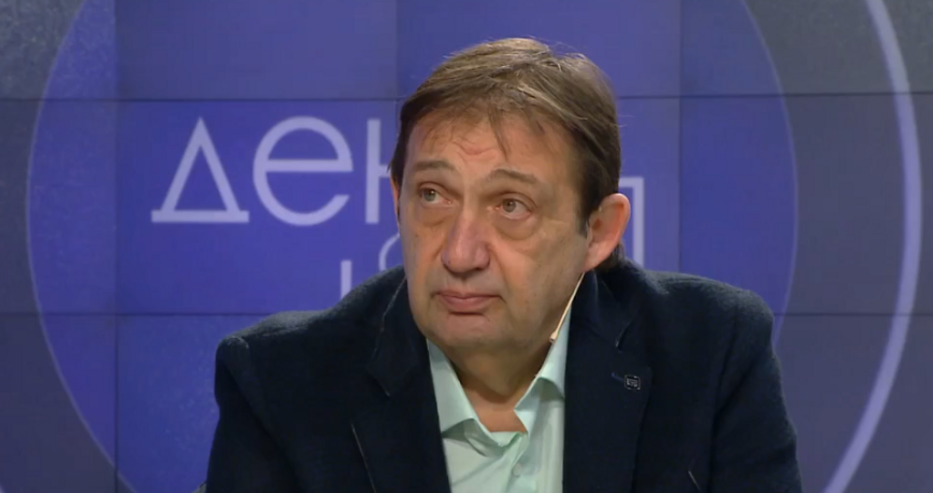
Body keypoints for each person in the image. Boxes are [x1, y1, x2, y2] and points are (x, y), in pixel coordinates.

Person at [204, 38, 802, 493]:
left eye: (511, 205)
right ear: (397, 200)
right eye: (433, 196)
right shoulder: (284, 384)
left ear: (598, 231)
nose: (460, 254)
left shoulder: (707, 354)